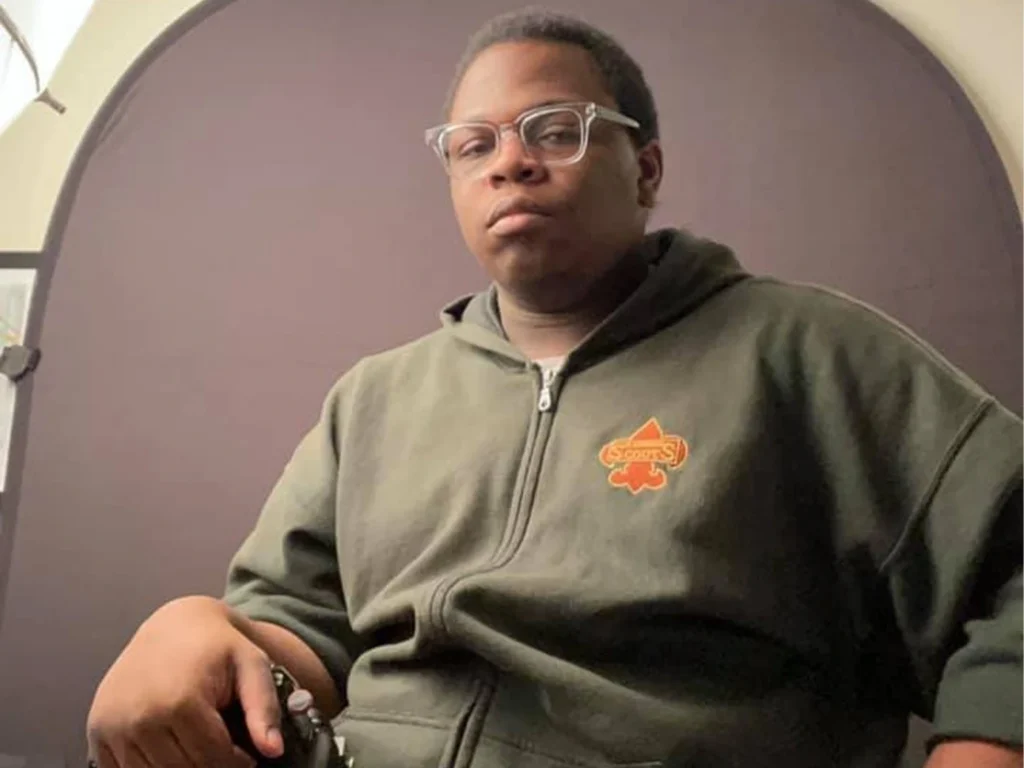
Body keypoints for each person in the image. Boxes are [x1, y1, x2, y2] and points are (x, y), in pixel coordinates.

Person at [86, 8, 1022, 768]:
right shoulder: (373, 402)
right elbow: (301, 632)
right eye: (473, 145)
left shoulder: (811, 356)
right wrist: (192, 627)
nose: (509, 161)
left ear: (645, 170)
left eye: (555, 130)